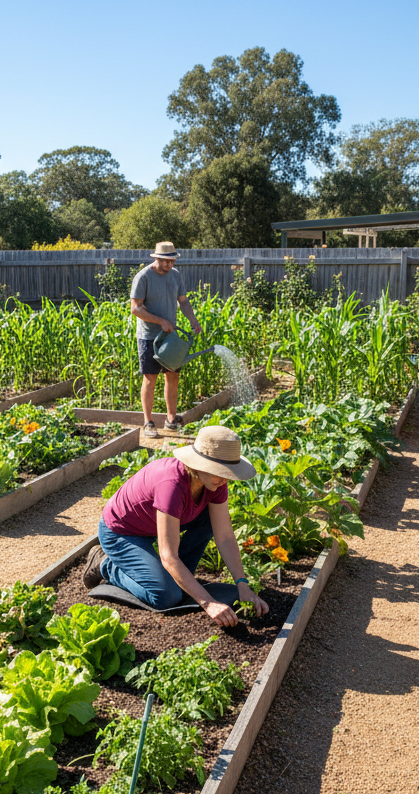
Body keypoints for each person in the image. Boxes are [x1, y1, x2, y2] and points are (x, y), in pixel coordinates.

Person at [83, 425, 269, 628]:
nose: (224, 478)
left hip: (152, 525)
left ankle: (171, 578)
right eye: (219, 472)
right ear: (200, 465)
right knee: (167, 596)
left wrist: (242, 584)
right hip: (121, 532)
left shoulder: (215, 484)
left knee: (204, 531)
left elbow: (224, 536)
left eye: (228, 472)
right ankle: (104, 565)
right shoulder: (171, 485)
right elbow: (168, 556)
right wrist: (208, 603)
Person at [130, 241, 202, 439]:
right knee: (150, 378)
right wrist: (160, 321)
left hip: (170, 338)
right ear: (157, 258)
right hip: (149, 337)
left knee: (173, 377)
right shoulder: (143, 277)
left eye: (172, 261)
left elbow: (184, 302)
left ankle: (171, 420)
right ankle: (148, 422)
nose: (169, 265)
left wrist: (193, 320)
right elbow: (135, 308)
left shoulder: (176, 275)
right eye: (165, 261)